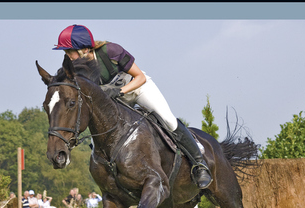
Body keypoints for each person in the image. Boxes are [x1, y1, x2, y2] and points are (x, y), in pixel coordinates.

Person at [52, 24, 212, 189]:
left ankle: (199, 164)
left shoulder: (111, 51)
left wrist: (119, 91)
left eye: (68, 51)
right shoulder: (78, 69)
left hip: (138, 89)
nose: (67, 56)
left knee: (168, 120)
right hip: (115, 100)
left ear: (83, 49)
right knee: (98, 136)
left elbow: (140, 77)